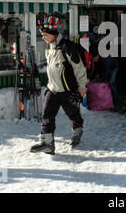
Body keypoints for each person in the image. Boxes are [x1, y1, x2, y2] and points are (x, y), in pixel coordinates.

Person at [30, 15, 88, 155]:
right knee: (47, 115)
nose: (43, 37)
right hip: (53, 89)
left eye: (44, 35)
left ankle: (77, 133)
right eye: (42, 35)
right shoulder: (49, 47)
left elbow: (79, 68)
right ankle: (48, 143)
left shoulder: (67, 46)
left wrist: (81, 86)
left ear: (53, 34)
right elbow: (52, 69)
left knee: (73, 115)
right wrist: (50, 85)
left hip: (68, 90)